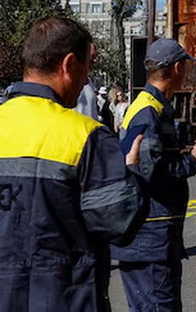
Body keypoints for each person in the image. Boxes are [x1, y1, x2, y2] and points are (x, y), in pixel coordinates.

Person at [0, 16, 145, 311]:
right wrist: (131, 172)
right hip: (65, 296)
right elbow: (119, 223)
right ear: (68, 65)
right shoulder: (87, 136)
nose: (86, 81)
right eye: (86, 69)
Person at [111, 37, 196, 311]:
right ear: (177, 69)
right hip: (150, 236)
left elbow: (152, 160)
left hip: (151, 236)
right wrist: (191, 161)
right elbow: (149, 173)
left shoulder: (149, 107)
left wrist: (191, 155)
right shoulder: (149, 113)